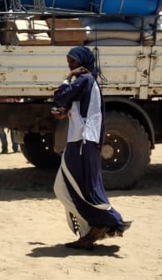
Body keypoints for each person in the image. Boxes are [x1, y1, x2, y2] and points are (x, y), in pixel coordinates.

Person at [52, 46, 129, 249]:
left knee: (78, 188)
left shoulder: (84, 80)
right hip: (81, 141)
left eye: (74, 63)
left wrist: (68, 77)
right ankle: (91, 230)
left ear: (83, 63)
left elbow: (60, 95)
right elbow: (69, 103)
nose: (71, 67)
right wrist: (64, 111)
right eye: (69, 63)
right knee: (70, 187)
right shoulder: (86, 82)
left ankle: (109, 221)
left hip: (82, 142)